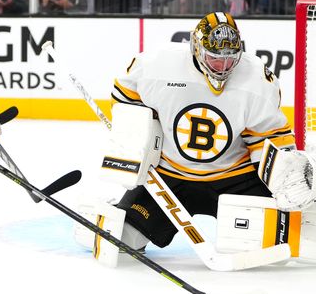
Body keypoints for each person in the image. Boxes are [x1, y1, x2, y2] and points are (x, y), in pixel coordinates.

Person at [105, 13, 299, 252]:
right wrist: (140, 138)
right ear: (196, 48)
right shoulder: (157, 65)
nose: (223, 67)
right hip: (169, 175)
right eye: (215, 58)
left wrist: (285, 176)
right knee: (120, 241)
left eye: (230, 59)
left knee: (274, 244)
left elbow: (268, 138)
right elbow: (124, 98)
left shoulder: (257, 79)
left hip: (235, 177)